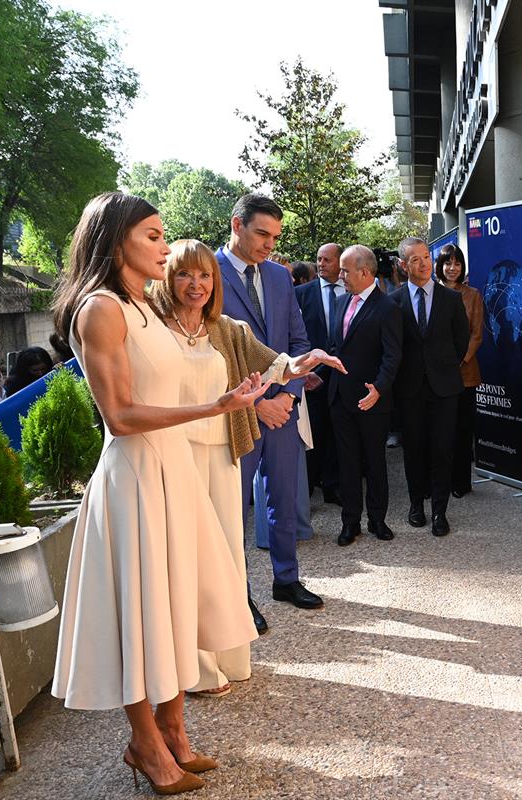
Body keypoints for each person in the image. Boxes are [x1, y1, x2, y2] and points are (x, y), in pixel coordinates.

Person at [50, 192, 265, 794]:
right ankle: (146, 745)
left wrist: (237, 393)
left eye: (162, 233)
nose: (164, 245)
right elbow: (119, 415)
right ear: (115, 241)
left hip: (171, 471)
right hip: (137, 476)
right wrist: (214, 407)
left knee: (173, 606)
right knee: (143, 614)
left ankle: (174, 735)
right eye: (151, 234)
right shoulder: (101, 310)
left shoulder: (145, 306)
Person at [151, 239, 344, 697]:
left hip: (222, 453)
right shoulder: (154, 331)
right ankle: (189, 667)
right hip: (178, 455)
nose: (196, 285)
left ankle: (226, 656)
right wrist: (252, 407)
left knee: (223, 554)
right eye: (184, 275)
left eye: (204, 277)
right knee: (187, 560)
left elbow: (277, 363)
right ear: (168, 279)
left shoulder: (227, 329)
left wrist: (306, 363)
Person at [216, 194, 319, 612]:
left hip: (283, 411)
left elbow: (298, 342)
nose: (269, 245)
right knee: (233, 509)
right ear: (236, 226)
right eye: (262, 233)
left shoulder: (279, 278)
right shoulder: (206, 275)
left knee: (284, 499)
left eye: (275, 236)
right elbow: (208, 354)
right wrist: (255, 405)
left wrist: (287, 398)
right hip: (237, 415)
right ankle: (238, 599)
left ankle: (286, 580)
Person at [390, 237, 469, 536]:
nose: (423, 264)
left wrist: (443, 366)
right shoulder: (394, 302)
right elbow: (392, 346)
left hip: (445, 388)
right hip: (409, 390)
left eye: (426, 257)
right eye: (415, 259)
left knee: (442, 450)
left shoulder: (451, 299)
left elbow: (461, 342)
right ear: (402, 265)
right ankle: (415, 506)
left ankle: (440, 511)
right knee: (414, 451)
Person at [329, 245, 403, 546]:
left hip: (371, 399)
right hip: (340, 398)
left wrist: (380, 388)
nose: (340, 275)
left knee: (374, 463)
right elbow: (336, 346)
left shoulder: (387, 308)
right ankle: (350, 522)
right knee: (346, 463)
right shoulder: (340, 302)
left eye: (346, 270)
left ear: (365, 272)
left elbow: (393, 355)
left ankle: (377, 520)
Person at [295, 242, 346, 504]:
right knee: (313, 432)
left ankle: (333, 487)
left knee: (338, 433)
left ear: (340, 263)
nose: (321, 264)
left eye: (327, 260)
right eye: (318, 259)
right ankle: (307, 488)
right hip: (311, 376)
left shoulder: (351, 292)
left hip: (341, 375)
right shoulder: (301, 293)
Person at [435, 243, 483, 498]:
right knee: (438, 431)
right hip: (434, 374)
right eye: (447, 263)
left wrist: (460, 360)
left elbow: (476, 334)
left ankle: (461, 482)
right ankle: (437, 481)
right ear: (440, 266)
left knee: (462, 430)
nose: (452, 268)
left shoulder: (473, 295)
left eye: (457, 263)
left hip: (464, 374)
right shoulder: (430, 293)